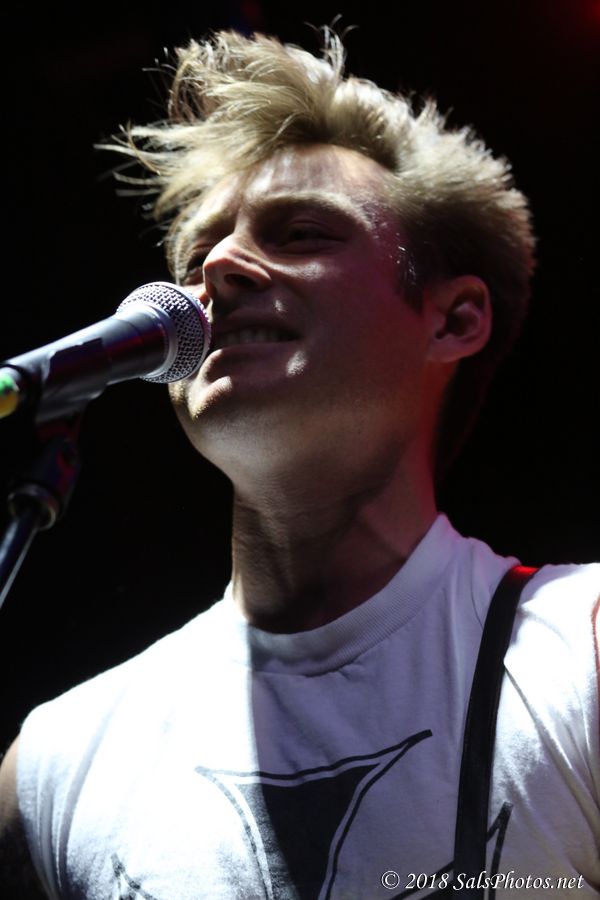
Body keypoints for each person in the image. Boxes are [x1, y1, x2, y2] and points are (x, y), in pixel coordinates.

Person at [0, 28, 598, 899]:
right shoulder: (55, 766)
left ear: (452, 320)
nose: (218, 266)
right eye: (198, 252)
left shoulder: (578, 651)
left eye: (302, 232)